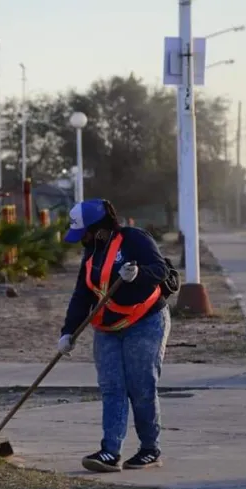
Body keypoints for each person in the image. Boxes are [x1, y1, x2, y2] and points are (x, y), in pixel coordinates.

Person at [58, 198, 175, 473]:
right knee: (112, 388)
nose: (82, 239)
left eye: (84, 233)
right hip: (108, 327)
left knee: (141, 387)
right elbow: (82, 294)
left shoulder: (135, 239)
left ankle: (150, 449)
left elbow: (160, 270)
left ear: (98, 229)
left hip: (145, 321)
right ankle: (110, 452)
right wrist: (68, 332)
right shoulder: (92, 252)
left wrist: (138, 274)